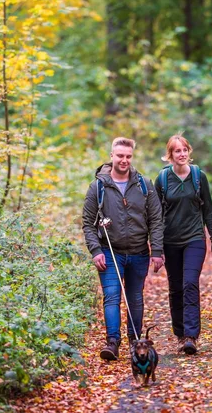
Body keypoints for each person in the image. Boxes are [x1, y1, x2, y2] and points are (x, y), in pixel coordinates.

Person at [82, 137, 165, 361]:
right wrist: (95, 250)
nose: (124, 160)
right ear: (112, 156)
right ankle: (112, 343)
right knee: (111, 296)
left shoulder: (144, 185)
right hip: (110, 250)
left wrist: (157, 250)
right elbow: (88, 223)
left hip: (139, 251)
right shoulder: (98, 187)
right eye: (120, 156)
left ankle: (134, 340)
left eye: (128, 156)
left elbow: (156, 220)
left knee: (135, 297)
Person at [155, 135, 212, 355]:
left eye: (184, 150)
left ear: (189, 152)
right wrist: (155, 247)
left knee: (190, 283)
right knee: (175, 288)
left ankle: (191, 336)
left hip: (194, 239)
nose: (181, 154)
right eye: (177, 151)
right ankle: (180, 334)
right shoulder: (163, 179)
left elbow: (208, 210)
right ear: (170, 155)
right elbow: (155, 215)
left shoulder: (198, 177)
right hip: (170, 241)